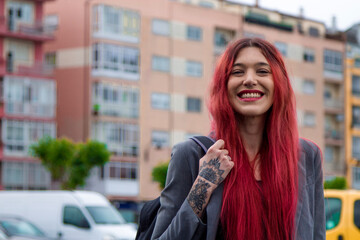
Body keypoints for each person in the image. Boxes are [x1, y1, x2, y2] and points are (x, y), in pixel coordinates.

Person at [151, 38, 325, 240]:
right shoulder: (191, 154)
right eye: (237, 72)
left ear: (280, 84)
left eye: (262, 71)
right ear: (223, 86)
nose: (250, 80)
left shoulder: (307, 156)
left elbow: (317, 234)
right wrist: (204, 184)